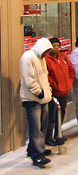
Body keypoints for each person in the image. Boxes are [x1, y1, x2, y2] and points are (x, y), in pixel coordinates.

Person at [20, 37, 53, 167]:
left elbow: (44, 76)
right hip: (32, 99)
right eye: (46, 51)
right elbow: (29, 79)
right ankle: (37, 156)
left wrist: (47, 91)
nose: (47, 54)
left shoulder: (41, 59)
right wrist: (38, 91)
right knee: (35, 128)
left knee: (42, 125)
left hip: (43, 98)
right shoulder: (27, 57)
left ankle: (34, 149)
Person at [45, 38, 74, 146]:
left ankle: (58, 134)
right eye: (54, 46)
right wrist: (55, 85)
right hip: (54, 92)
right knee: (51, 116)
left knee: (61, 114)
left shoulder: (62, 56)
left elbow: (71, 69)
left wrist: (69, 83)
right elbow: (46, 75)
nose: (56, 48)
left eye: (58, 46)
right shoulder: (46, 59)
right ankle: (48, 137)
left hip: (65, 91)